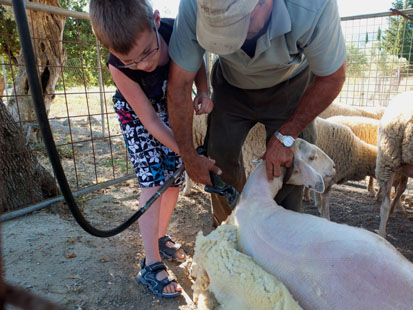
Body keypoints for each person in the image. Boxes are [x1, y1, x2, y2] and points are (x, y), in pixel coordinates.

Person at [167, 0, 347, 226]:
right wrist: (188, 154)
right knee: (219, 156)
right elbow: (179, 86)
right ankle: (227, 232)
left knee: (288, 162)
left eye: (240, 24)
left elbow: (333, 77)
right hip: (231, 83)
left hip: (290, 83)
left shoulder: (312, 7)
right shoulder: (195, 5)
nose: (235, 40)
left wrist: (287, 135)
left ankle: (282, 234)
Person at [89, 0, 213, 299]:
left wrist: (205, 89)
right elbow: (151, 122)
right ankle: (150, 264)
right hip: (138, 114)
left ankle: (159, 237)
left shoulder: (176, 30)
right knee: (153, 180)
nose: (143, 65)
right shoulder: (117, 66)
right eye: (131, 62)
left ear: (156, 20)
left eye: (147, 53)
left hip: (172, 102)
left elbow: (196, 59)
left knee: (174, 180)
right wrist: (190, 154)